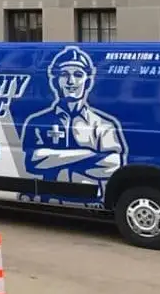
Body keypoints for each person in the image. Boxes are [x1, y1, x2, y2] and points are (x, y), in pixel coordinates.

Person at [20, 46, 128, 204]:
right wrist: (89, 154)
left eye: (78, 75)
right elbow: (33, 161)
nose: (71, 81)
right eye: (64, 74)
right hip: (49, 200)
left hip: (89, 201)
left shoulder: (104, 125)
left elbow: (114, 165)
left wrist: (54, 158)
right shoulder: (38, 121)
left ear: (88, 81)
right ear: (55, 81)